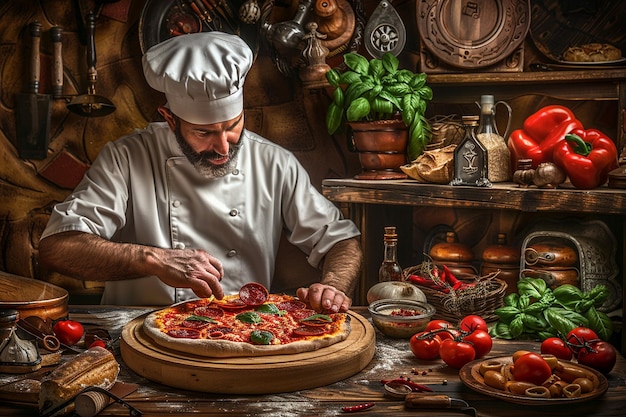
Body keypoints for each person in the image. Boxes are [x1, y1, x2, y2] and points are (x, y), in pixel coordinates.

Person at [38, 31, 363, 313]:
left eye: (233, 127)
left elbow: (341, 241)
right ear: (170, 119)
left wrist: (332, 285)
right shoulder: (127, 157)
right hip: (140, 332)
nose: (223, 147)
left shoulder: (274, 162)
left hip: (243, 331)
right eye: (204, 133)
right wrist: (152, 259)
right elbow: (57, 247)